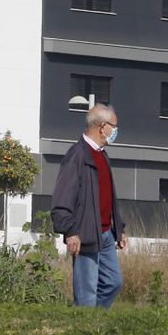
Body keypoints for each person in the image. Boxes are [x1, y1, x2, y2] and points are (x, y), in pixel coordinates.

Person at [50, 102, 127, 307]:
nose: (116, 131)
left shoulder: (102, 155)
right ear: (102, 127)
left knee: (113, 283)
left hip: (106, 233)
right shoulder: (77, 155)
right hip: (84, 233)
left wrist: (119, 229)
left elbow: (108, 196)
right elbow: (63, 197)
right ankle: (84, 322)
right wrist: (70, 231)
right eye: (114, 126)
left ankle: (94, 320)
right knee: (87, 291)